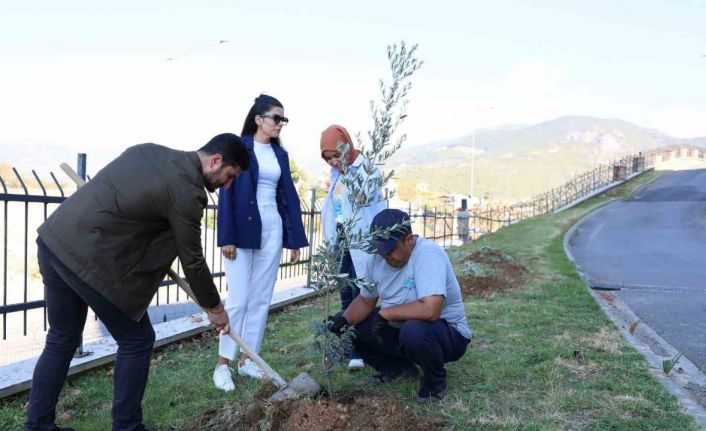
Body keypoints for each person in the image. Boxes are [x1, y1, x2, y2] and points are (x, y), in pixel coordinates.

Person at [27, 133, 250, 431]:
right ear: (215, 160)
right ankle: (127, 427)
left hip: (55, 243)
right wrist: (215, 307)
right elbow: (192, 259)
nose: (228, 184)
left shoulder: (149, 151)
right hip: (89, 259)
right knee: (137, 340)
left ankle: (38, 425)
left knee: (62, 338)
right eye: (229, 176)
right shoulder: (189, 191)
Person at [213, 94, 308, 391]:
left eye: (284, 119)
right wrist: (226, 236)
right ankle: (222, 365)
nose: (281, 124)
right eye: (276, 118)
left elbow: (288, 197)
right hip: (242, 230)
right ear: (259, 119)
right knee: (239, 298)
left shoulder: (280, 155)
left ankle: (248, 359)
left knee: (261, 299)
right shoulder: (240, 147)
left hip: (272, 227)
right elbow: (225, 192)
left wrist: (294, 240)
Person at [327, 209, 472, 404]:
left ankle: (435, 382)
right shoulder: (376, 260)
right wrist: (343, 320)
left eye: (391, 249)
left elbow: (431, 310)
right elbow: (364, 301)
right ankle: (396, 368)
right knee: (351, 325)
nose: (385, 255)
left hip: (448, 334)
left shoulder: (428, 254)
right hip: (401, 328)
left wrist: (386, 313)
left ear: (409, 239)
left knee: (414, 330)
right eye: (380, 249)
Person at [319, 124, 386, 370]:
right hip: (341, 240)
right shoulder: (338, 174)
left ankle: (366, 346)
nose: (334, 162)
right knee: (345, 292)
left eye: (336, 155)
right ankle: (351, 349)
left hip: (360, 241)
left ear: (346, 145)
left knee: (363, 292)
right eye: (328, 159)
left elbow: (364, 199)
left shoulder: (366, 170)